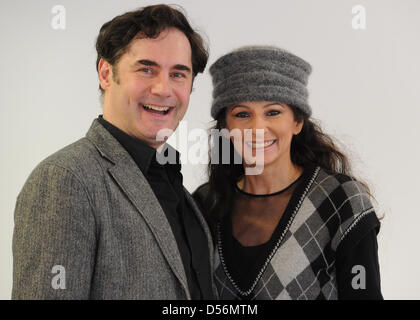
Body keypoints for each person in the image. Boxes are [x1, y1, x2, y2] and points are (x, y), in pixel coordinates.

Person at [12, 4, 216, 300]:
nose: (163, 89)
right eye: (147, 69)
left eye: (178, 74)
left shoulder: (180, 190)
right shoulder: (65, 180)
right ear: (106, 73)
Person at [193, 45, 383, 300]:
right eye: (242, 114)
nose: (257, 128)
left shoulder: (341, 200)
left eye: (273, 112)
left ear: (297, 122)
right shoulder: (206, 203)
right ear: (225, 127)